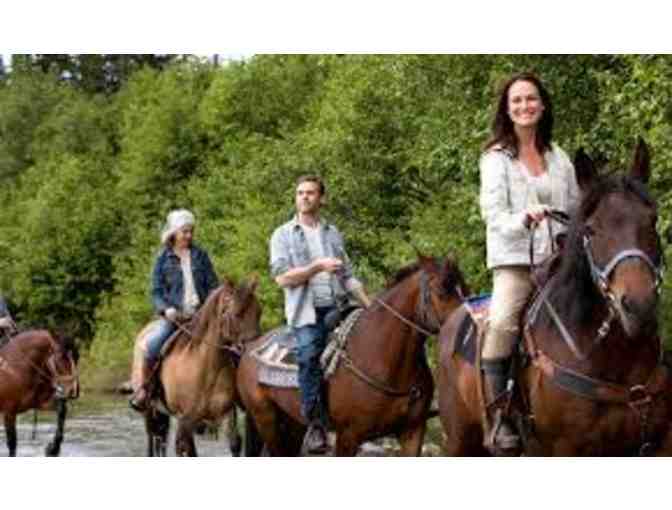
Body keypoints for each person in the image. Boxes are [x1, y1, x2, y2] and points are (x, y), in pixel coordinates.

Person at [479, 72, 579, 453]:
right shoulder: (495, 158)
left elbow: (575, 207)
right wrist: (523, 218)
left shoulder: (559, 156)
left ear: (543, 104)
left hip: (559, 261)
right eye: (517, 100)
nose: (525, 106)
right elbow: (492, 214)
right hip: (516, 261)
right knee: (502, 321)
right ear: (507, 110)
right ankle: (500, 416)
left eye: (531, 98)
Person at [270, 175, 372, 454]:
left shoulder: (332, 233)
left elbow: (348, 276)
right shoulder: (282, 234)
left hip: (338, 306)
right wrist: (317, 267)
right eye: (300, 193)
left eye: (310, 193)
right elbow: (282, 278)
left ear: (321, 198)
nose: (304, 197)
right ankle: (314, 424)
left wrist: (370, 305)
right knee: (308, 355)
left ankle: (368, 417)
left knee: (372, 344)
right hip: (306, 312)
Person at [130, 209, 219, 412]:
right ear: (174, 233)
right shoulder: (163, 258)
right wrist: (166, 309)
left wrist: (213, 305)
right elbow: (156, 291)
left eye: (191, 231)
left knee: (230, 344)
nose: (189, 235)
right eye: (184, 231)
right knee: (152, 345)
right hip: (175, 317)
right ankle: (146, 390)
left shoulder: (201, 255)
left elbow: (213, 285)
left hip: (201, 316)